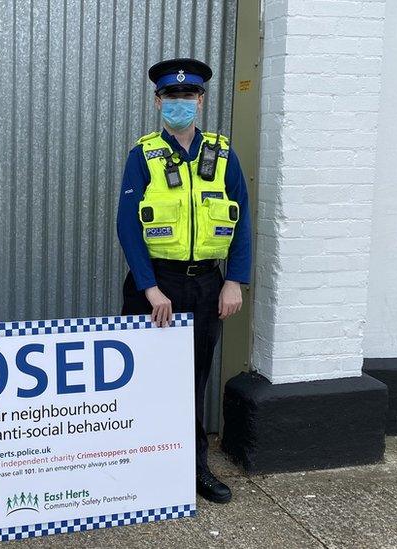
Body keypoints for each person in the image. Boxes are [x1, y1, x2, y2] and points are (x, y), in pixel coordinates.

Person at [116, 58, 252, 504]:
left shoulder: (222, 153)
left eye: (188, 97)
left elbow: (243, 221)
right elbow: (128, 226)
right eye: (171, 98)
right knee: (144, 381)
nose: (180, 104)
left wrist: (234, 282)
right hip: (154, 286)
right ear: (158, 102)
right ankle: (134, 473)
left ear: (201, 100)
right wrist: (150, 287)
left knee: (192, 382)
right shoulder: (144, 155)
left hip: (205, 287)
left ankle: (193, 470)